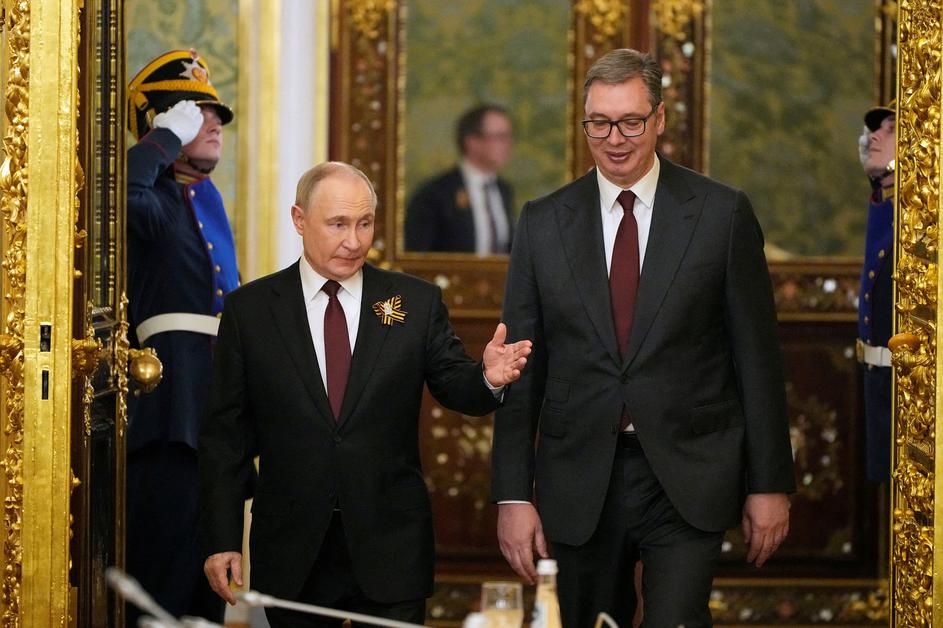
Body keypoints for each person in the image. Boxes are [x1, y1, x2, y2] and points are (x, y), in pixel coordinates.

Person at [491, 48, 796, 627]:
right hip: (579, 477)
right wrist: (512, 495)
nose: (615, 139)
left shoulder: (721, 214)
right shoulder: (543, 221)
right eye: (599, 123)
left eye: (631, 122)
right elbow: (520, 367)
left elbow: (757, 359)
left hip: (689, 472)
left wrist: (770, 483)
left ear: (659, 118)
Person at [199, 162, 532, 627]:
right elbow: (225, 437)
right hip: (292, 551)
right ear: (299, 219)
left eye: (365, 223)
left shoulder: (414, 302)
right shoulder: (249, 310)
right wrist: (222, 539)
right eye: (338, 224)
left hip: (391, 546)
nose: (354, 241)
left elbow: (456, 384)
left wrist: (488, 378)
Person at [124, 49, 238, 625]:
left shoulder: (208, 198)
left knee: (207, 590)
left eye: (216, 113)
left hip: (214, 411)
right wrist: (161, 141)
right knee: (163, 586)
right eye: (197, 112)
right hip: (170, 409)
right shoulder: (155, 198)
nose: (214, 122)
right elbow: (118, 197)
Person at [405, 104, 515, 254]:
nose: (508, 144)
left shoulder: (503, 190)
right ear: (472, 141)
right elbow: (418, 253)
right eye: (499, 137)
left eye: (508, 136)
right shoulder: (435, 194)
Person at [857, 101, 896, 483]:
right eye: (874, 129)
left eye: (891, 128)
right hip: (881, 388)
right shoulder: (886, 206)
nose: (874, 137)